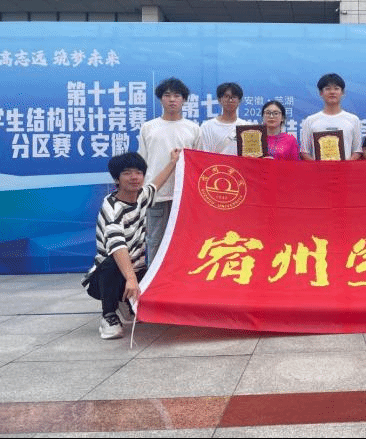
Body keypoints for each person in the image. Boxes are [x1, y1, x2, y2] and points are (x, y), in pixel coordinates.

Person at [81, 149, 181, 339]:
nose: (134, 177)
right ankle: (109, 316)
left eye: (138, 172)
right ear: (117, 179)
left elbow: (156, 184)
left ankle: (127, 303)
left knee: (159, 277)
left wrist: (173, 162)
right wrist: (131, 279)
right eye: (127, 173)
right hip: (104, 277)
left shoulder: (141, 197)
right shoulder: (112, 208)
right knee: (111, 263)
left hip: (135, 269)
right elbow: (117, 246)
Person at [137, 77, 200, 264]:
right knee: (155, 241)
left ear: (184, 100)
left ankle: (180, 280)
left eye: (177, 95)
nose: (172, 99)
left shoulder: (193, 129)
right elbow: (142, 161)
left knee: (184, 241)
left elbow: (198, 164)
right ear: (160, 99)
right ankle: (153, 280)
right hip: (156, 194)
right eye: (167, 95)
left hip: (184, 196)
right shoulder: (148, 127)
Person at [299, 73, 362, 161]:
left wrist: (345, 165)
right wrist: (317, 166)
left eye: (336, 88)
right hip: (318, 169)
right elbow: (304, 152)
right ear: (321, 93)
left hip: (346, 169)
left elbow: (357, 151)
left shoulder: (353, 120)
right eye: (327, 89)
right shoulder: (310, 120)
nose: (332, 92)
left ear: (342, 93)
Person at [199, 82, 249, 155]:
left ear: (239, 101)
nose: (230, 100)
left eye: (234, 97)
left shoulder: (246, 127)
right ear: (219, 99)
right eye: (226, 96)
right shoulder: (207, 126)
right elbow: (203, 155)